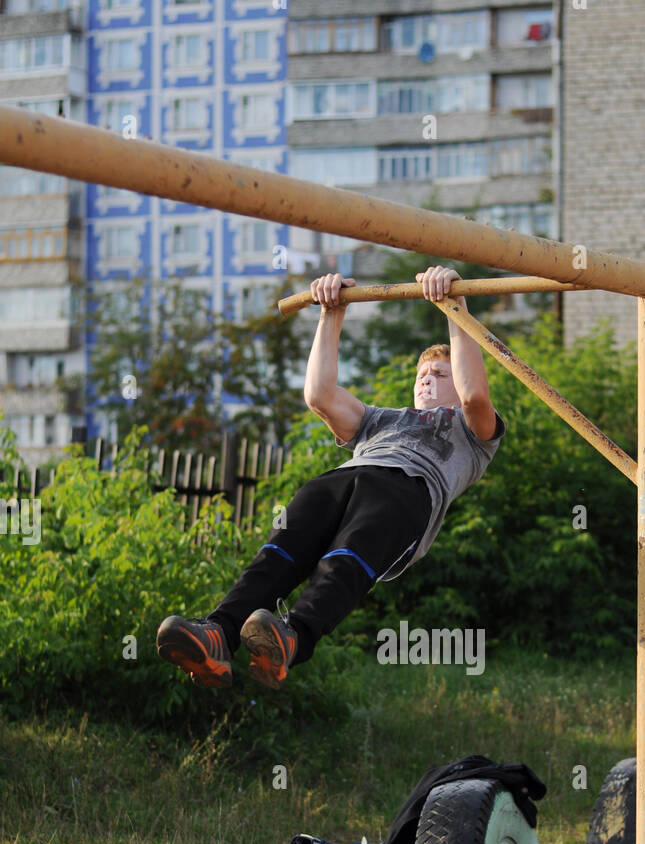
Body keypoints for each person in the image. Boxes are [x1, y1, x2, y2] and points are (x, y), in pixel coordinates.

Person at [156, 264, 506, 689]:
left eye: (439, 375)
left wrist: (455, 307)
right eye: (421, 376)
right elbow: (319, 395)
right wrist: (330, 314)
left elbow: (474, 394)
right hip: (347, 476)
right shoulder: (382, 420)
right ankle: (219, 632)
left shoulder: (474, 433)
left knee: (344, 559)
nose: (426, 381)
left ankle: (294, 636)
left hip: (408, 493)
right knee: (282, 548)